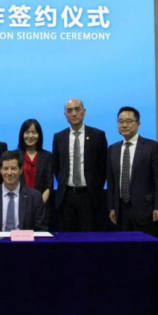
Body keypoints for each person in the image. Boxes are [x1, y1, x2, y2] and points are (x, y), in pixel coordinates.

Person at [107, 107, 158, 238]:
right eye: (120, 121)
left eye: (128, 121)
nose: (124, 125)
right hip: (121, 210)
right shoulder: (113, 149)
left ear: (138, 124)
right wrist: (112, 207)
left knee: (146, 247)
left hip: (146, 209)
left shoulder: (152, 147)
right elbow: (111, 181)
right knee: (123, 246)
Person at [52, 99, 108, 231]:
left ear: (84, 111)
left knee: (89, 237)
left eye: (77, 109)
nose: (74, 114)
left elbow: (103, 167)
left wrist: (95, 187)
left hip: (89, 196)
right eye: (69, 110)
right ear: (65, 114)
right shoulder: (59, 137)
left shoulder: (98, 135)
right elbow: (57, 166)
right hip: (66, 196)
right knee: (67, 237)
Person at [0, 150, 48, 232]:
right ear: (0, 170)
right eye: (5, 168)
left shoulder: (35, 197)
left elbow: (42, 230)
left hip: (24, 240)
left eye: (13, 168)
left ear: (21, 170)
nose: (9, 173)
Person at [15, 119, 54, 228]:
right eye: (27, 132)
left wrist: (38, 205)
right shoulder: (15, 155)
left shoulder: (47, 156)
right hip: (18, 206)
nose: (30, 136)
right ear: (22, 134)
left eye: (34, 132)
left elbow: (49, 185)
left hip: (41, 208)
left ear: (39, 135)